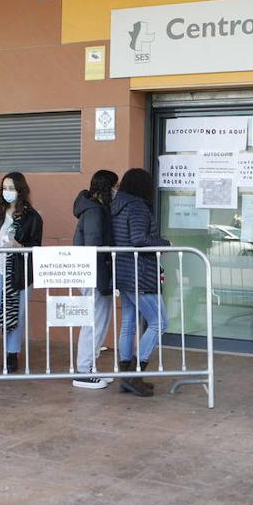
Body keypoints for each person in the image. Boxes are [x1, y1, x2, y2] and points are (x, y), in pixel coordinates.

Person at [110, 168, 170, 398]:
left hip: (124, 273)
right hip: (141, 273)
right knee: (160, 322)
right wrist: (165, 243)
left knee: (128, 323)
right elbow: (138, 239)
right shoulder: (137, 206)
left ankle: (126, 376)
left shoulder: (117, 206)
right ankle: (135, 374)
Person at [0, 173, 43, 374]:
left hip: (19, 269)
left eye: (11, 188)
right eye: (4, 188)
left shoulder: (32, 216)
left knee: (18, 311)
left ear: (21, 190)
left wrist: (19, 245)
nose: (7, 192)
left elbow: (36, 245)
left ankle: (12, 353)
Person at [71, 169, 118, 389]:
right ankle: (83, 370)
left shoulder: (93, 209)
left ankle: (89, 367)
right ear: (107, 188)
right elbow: (94, 249)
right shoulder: (95, 213)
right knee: (93, 323)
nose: (116, 191)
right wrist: (104, 281)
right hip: (94, 274)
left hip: (93, 273)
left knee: (98, 322)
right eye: (114, 186)